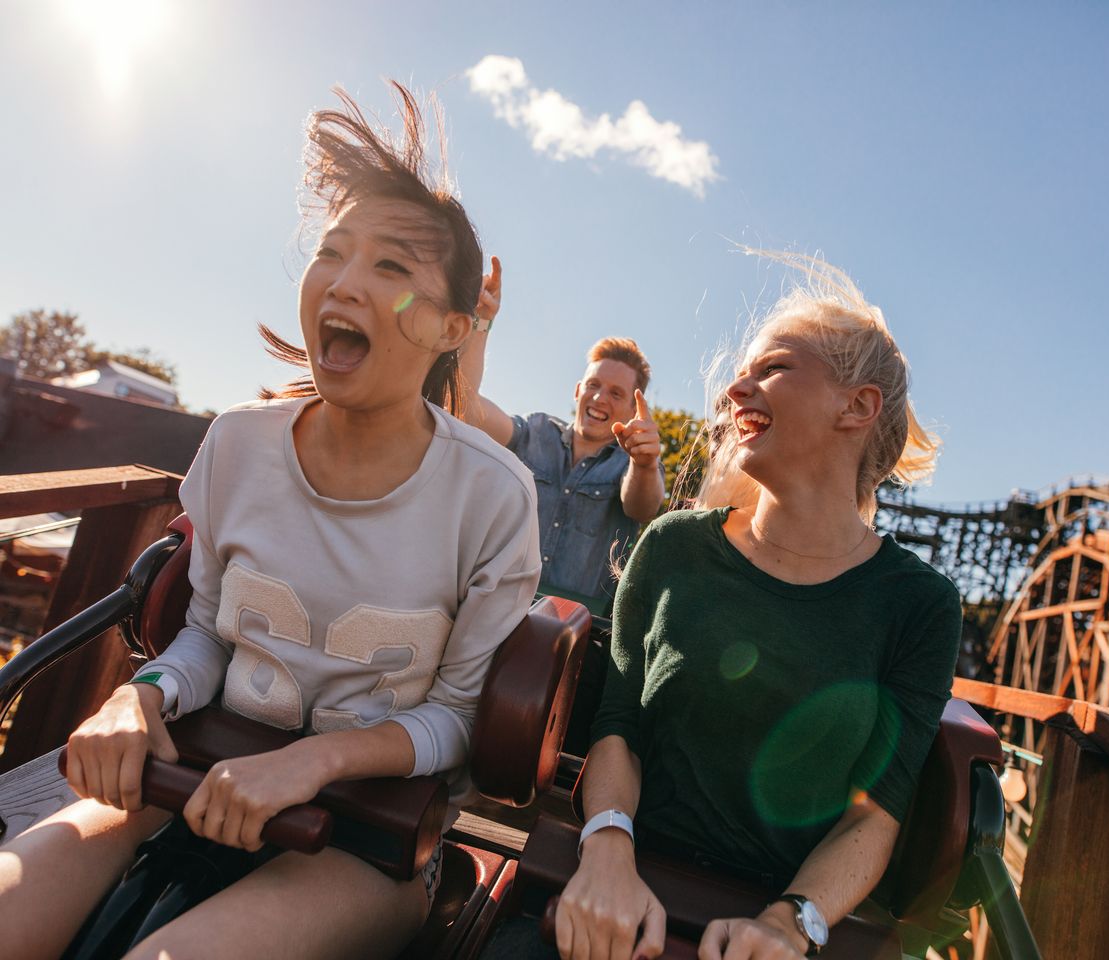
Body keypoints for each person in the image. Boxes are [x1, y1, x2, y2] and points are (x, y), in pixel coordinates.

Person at [0, 83, 540, 960]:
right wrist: (139, 698)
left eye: (392, 268)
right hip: (190, 774)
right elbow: (209, 635)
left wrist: (317, 760)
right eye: (333, 251)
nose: (346, 281)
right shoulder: (238, 445)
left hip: (369, 840)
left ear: (452, 326)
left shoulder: (494, 495)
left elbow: (456, 722)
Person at [553, 254, 962, 959]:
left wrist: (789, 922)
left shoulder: (919, 604)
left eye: (772, 368)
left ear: (857, 407)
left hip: (774, 928)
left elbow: (877, 810)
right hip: (621, 891)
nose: (735, 389)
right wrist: (608, 852)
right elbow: (618, 723)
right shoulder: (674, 546)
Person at [459, 268, 665, 612]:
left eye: (616, 393)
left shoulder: (631, 462)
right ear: (577, 390)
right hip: (493, 607)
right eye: (594, 385)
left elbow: (642, 507)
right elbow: (465, 409)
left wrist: (644, 464)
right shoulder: (537, 431)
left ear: (633, 409)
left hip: (577, 630)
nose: (600, 399)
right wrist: (481, 321)